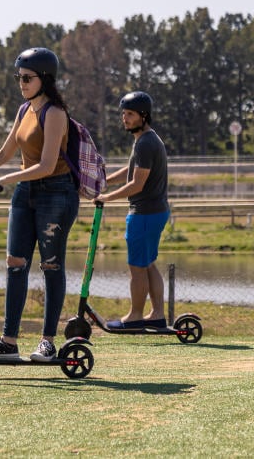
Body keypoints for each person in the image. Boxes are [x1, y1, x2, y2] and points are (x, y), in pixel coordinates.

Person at [0, 47, 79, 361]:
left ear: (44, 79)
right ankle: (9, 341)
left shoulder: (55, 114)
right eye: (18, 77)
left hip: (56, 193)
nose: (21, 83)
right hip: (26, 193)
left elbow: (47, 165)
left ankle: (48, 342)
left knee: (51, 266)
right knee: (15, 263)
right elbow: (5, 152)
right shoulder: (25, 110)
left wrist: (2, 181)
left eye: (27, 78)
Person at [94, 91, 170, 329]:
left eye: (130, 114)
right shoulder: (146, 139)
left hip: (144, 213)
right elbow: (130, 174)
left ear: (143, 116)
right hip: (154, 211)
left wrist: (106, 197)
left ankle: (135, 316)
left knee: (137, 267)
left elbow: (137, 184)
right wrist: (103, 182)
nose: (124, 119)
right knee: (147, 264)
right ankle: (157, 315)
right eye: (123, 114)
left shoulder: (146, 143)